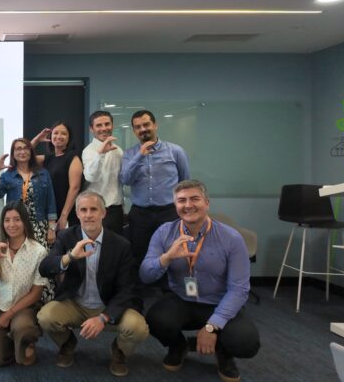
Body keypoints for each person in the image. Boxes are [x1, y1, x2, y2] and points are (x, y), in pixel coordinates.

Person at [139, 180, 260, 382]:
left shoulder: (231, 238)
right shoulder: (164, 232)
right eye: (181, 200)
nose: (188, 205)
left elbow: (239, 289)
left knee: (246, 342)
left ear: (207, 203)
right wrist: (166, 258)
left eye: (194, 199)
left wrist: (212, 326)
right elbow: (145, 275)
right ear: (175, 205)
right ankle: (179, 346)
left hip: (219, 302)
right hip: (182, 299)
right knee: (155, 320)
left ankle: (223, 350)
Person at [37, 190, 148, 377]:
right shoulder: (66, 237)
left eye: (94, 209)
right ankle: (67, 343)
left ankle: (119, 351)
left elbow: (127, 289)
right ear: (77, 213)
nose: (88, 215)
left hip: (108, 305)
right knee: (45, 317)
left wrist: (103, 317)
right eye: (84, 210)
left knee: (138, 328)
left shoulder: (121, 245)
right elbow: (45, 268)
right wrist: (70, 257)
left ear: (103, 213)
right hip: (75, 304)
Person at [0, 201, 48, 367]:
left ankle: (25, 339)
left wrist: (9, 315)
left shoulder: (39, 251)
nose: (12, 224)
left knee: (23, 331)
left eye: (17, 219)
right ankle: (12, 340)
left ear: (25, 221)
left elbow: (36, 293)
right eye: (7, 220)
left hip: (25, 306)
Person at [0, 138, 58, 302]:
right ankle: (21, 301)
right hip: (17, 227)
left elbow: (51, 201)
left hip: (39, 226)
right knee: (21, 264)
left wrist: (52, 228)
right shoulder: (8, 175)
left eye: (26, 148)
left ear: (31, 151)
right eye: (18, 149)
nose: (22, 151)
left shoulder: (43, 173)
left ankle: (44, 301)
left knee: (42, 264)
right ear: (13, 154)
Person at [120, 110, 190, 266]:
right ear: (134, 131)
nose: (143, 129)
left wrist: (185, 210)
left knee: (171, 253)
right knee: (140, 254)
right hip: (140, 215)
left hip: (169, 213)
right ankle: (144, 282)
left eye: (146, 124)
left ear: (155, 125)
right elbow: (126, 179)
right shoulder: (129, 154)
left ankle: (168, 283)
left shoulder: (175, 151)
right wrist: (140, 155)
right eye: (138, 127)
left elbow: (185, 184)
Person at [31, 121, 83, 230]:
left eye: (64, 133)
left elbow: (75, 188)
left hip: (67, 213)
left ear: (69, 138)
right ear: (50, 136)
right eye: (55, 133)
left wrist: (64, 216)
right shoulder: (48, 158)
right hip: (50, 213)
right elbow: (23, 156)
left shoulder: (73, 157)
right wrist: (37, 140)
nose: (59, 136)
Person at [82, 111, 124, 235]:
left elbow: (120, 182)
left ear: (112, 126)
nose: (104, 128)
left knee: (116, 245)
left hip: (116, 211)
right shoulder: (89, 151)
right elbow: (91, 177)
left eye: (107, 124)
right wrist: (101, 154)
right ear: (91, 129)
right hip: (95, 211)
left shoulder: (118, 151)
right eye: (99, 125)